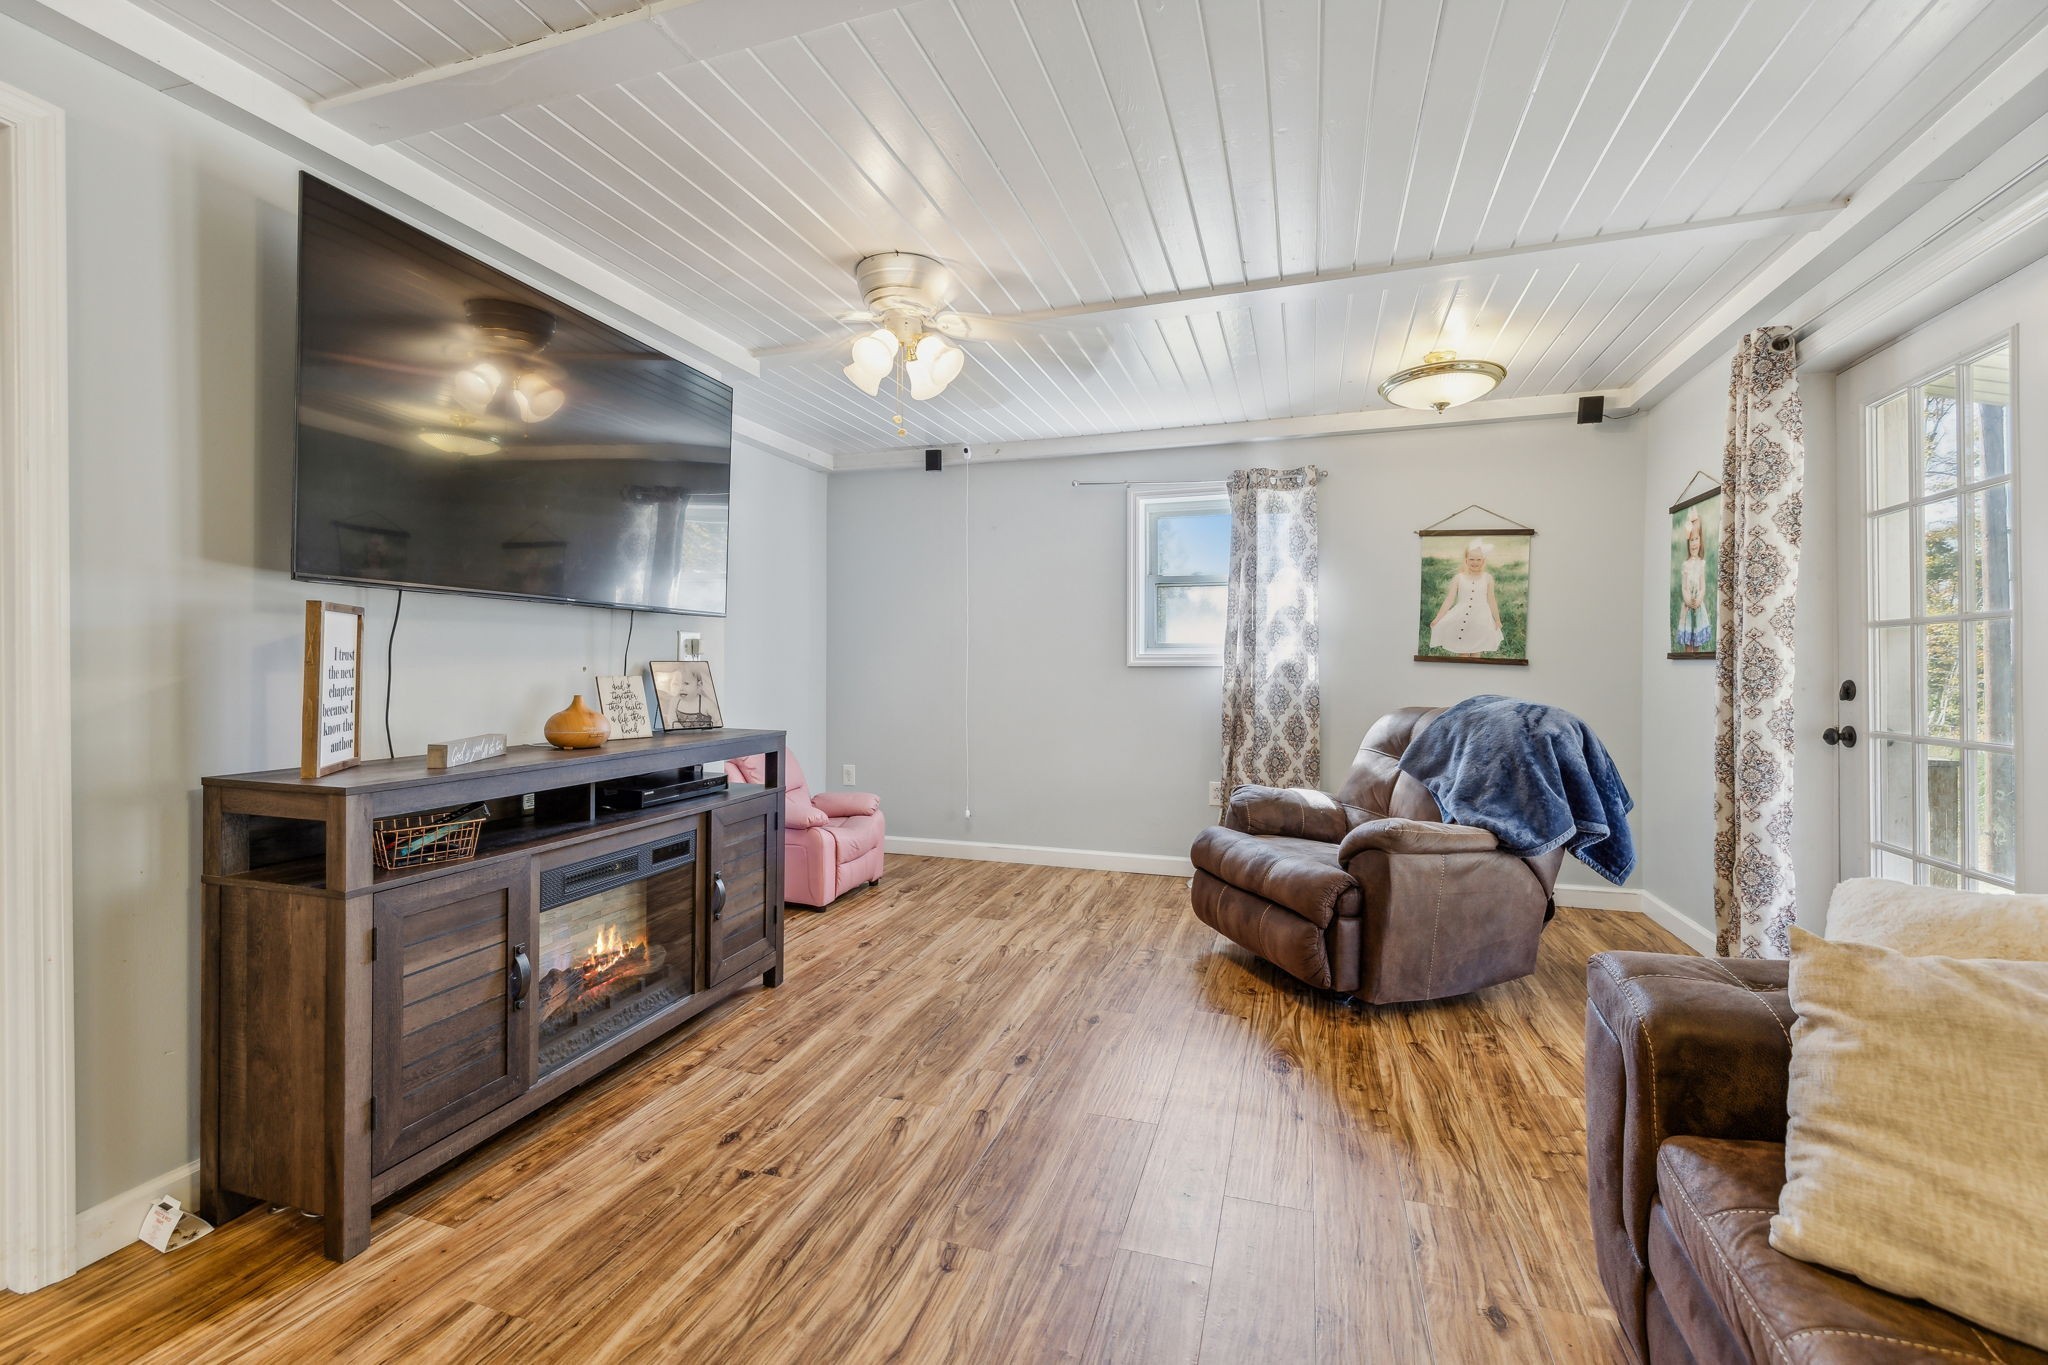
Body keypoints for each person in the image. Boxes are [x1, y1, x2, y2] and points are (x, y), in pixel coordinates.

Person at [1430, 539, 1504, 656]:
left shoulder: (1487, 578)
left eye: (1478, 559)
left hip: (1480, 620)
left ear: (1483, 560)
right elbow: (1449, 600)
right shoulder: (1459, 578)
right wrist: (1438, 618)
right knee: (1463, 652)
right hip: (1461, 616)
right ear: (1466, 560)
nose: (1475, 562)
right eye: (1471, 559)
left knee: (1476, 651)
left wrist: (1497, 619)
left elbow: (1491, 600)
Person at [1676, 509, 1712, 651]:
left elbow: (1703, 586)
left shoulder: (1701, 563)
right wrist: (1687, 599)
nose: (1694, 543)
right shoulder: (1686, 565)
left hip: (1698, 605)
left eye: (1696, 539)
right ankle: (1687, 653)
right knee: (1688, 640)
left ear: (1700, 540)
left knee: (1697, 640)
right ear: (1688, 541)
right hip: (1688, 607)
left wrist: (1698, 599)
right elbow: (1684, 587)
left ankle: (1696, 654)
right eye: (1691, 540)